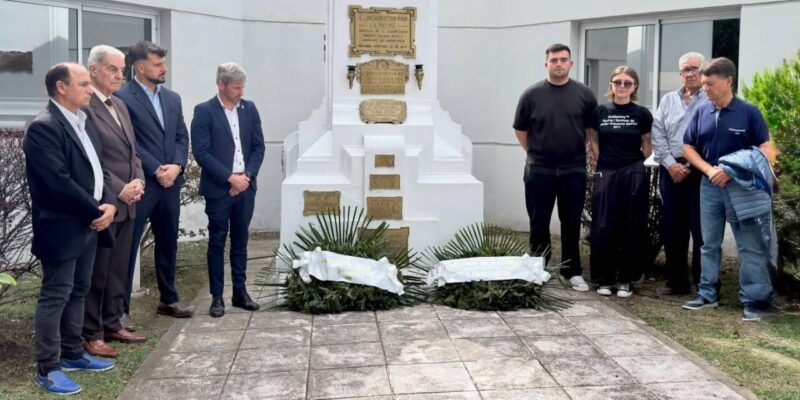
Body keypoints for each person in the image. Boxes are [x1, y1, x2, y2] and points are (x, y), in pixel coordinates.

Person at [25, 62, 117, 395]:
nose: (91, 90)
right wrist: (95, 212)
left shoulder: (84, 121)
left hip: (90, 222)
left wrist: (110, 204)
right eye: (83, 84)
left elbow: (100, 169)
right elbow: (58, 183)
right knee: (56, 294)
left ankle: (73, 353)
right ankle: (48, 367)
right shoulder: (44, 127)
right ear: (61, 87)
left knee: (79, 290)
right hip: (62, 227)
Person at [681, 57, 777, 321]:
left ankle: (755, 300)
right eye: (704, 84)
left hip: (743, 188)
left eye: (710, 84)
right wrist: (709, 170)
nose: (705, 89)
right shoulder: (702, 111)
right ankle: (707, 294)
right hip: (710, 185)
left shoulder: (749, 112)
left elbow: (767, 150)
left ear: (728, 81)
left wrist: (732, 170)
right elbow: (688, 146)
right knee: (708, 244)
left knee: (750, 246)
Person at [116, 41, 193, 319]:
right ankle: (120, 310)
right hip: (141, 184)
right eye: (158, 64)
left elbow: (181, 136)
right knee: (128, 248)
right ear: (140, 67)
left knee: (168, 242)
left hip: (170, 185)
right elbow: (129, 141)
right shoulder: (122, 98)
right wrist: (157, 169)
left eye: (164, 63)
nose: (164, 68)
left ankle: (168, 300)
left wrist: (177, 166)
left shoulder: (172, 98)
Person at [513, 43, 598, 291]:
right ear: (546, 64)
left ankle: (572, 271)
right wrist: (535, 152)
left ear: (570, 63)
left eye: (563, 60)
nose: (558, 64)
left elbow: (589, 130)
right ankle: (538, 268)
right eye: (554, 60)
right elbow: (520, 129)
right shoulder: (531, 95)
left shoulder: (585, 94)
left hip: (573, 169)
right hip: (539, 169)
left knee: (571, 222)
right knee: (538, 221)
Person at [81, 45, 147, 359]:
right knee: (98, 272)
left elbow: (133, 152)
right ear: (93, 69)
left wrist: (139, 182)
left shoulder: (119, 104)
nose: (120, 75)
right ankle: (91, 333)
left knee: (118, 269)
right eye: (112, 69)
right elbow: (92, 159)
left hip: (129, 202)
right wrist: (120, 190)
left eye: (122, 69)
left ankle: (112, 322)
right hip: (105, 203)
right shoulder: (84, 106)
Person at [191, 63, 265, 317]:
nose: (241, 92)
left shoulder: (249, 109)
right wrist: (230, 179)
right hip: (218, 189)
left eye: (242, 87)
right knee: (217, 242)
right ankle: (217, 297)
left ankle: (240, 293)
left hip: (246, 186)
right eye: (236, 87)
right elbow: (202, 153)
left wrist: (246, 177)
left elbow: (258, 147)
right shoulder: (204, 111)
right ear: (220, 85)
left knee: (241, 241)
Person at [588, 66, 653, 298]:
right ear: (611, 84)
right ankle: (603, 279)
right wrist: (600, 161)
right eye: (618, 82)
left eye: (627, 83)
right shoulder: (600, 111)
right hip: (607, 170)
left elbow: (647, 142)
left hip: (633, 171)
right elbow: (593, 139)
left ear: (635, 87)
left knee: (631, 224)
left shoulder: (642, 114)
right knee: (603, 224)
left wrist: (643, 166)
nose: (622, 87)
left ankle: (626, 279)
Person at [651, 52, 708, 296]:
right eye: (686, 69)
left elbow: (713, 137)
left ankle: (704, 285)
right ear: (680, 73)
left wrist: (693, 166)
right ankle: (676, 283)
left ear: (703, 71)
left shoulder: (711, 99)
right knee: (673, 228)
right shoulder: (668, 100)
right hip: (671, 171)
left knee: (701, 229)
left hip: (702, 172)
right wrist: (670, 164)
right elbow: (657, 133)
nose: (690, 73)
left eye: (695, 68)